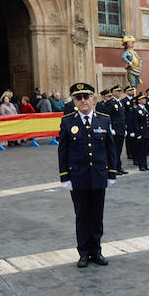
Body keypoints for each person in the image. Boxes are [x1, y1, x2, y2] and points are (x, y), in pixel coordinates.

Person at [58, 82, 122, 267]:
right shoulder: (68, 121)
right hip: (78, 177)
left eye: (86, 97)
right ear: (74, 102)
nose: (83, 101)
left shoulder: (104, 120)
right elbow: (63, 151)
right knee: (82, 216)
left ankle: (97, 251)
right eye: (78, 98)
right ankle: (84, 253)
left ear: (93, 99)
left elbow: (111, 148)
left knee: (96, 216)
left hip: (98, 176)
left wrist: (111, 172)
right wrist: (65, 176)